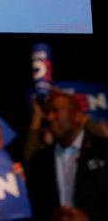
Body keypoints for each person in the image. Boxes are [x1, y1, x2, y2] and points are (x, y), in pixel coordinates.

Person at [27, 90, 108, 221]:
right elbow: (37, 206)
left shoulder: (103, 150)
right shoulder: (40, 159)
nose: (50, 117)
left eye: (56, 111)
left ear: (77, 116)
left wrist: (89, 217)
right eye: (47, 113)